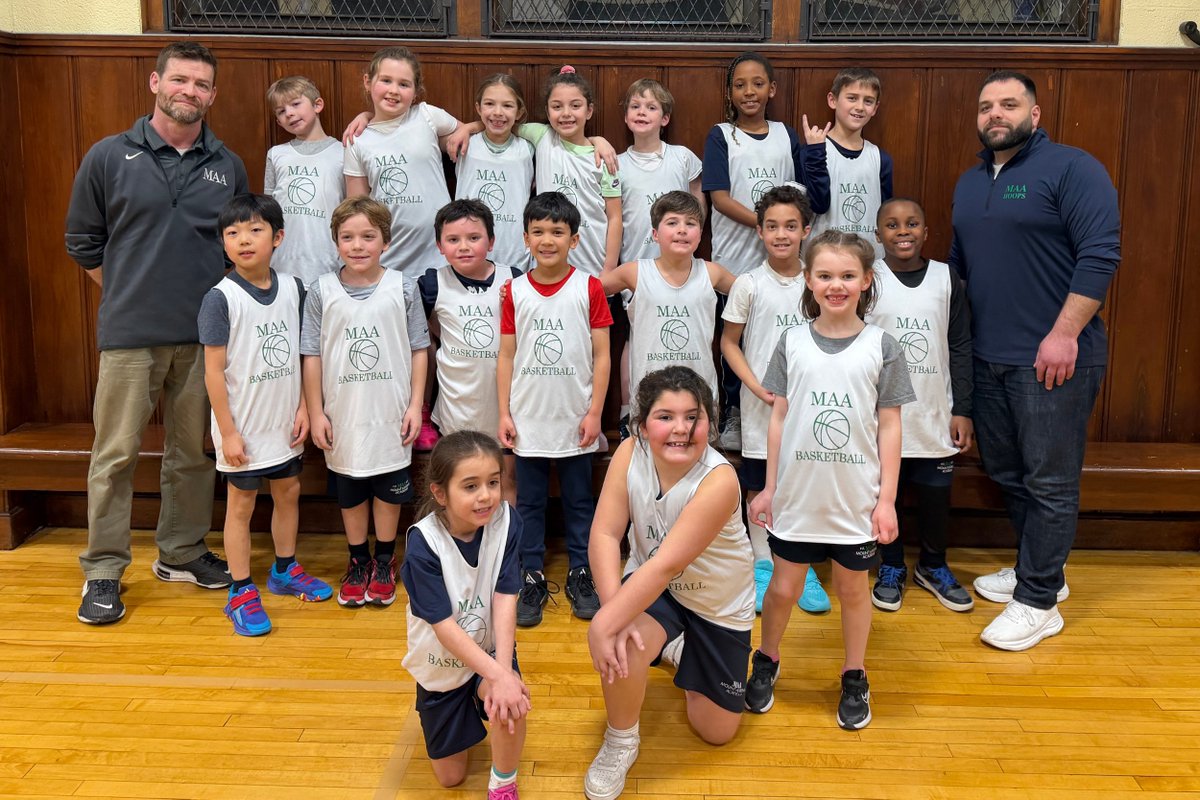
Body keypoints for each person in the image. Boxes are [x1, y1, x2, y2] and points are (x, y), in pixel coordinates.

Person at [67, 41, 248, 625]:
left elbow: (235, 249)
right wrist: (127, 290)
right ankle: (102, 570)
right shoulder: (107, 155)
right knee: (115, 454)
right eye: (179, 80)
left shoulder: (228, 163)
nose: (188, 91)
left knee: (193, 452)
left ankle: (182, 551)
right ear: (155, 82)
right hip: (129, 336)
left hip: (204, 340)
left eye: (200, 84)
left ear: (212, 95)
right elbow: (83, 242)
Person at [949, 70, 1119, 651]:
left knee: (1050, 483)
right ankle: (1039, 570)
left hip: (1053, 360)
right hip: (990, 359)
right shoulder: (970, 183)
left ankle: (1039, 601)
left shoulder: (1073, 169)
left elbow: (1100, 254)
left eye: (1009, 104)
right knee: (1010, 477)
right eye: (986, 105)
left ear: (1035, 114)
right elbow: (961, 270)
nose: (995, 114)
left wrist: (1064, 333)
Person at [746, 231, 914, 730]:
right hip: (798, 498)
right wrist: (771, 488)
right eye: (825, 275)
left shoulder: (881, 346)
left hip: (856, 503)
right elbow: (778, 419)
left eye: (846, 276)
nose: (835, 285)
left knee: (853, 590)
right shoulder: (792, 342)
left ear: (866, 280)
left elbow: (890, 426)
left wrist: (887, 500)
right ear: (808, 279)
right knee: (782, 589)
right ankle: (767, 660)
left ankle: (855, 673)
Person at [584, 366, 755, 800]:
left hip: (716, 603)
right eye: (665, 416)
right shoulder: (628, 453)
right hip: (654, 587)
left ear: (708, 424)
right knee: (625, 640)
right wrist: (613, 614)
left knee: (715, 731)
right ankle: (621, 740)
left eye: (692, 416)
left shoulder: (719, 481)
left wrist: (605, 623)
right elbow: (605, 534)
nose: (681, 429)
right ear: (642, 426)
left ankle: (678, 647)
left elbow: (668, 565)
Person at [199, 194, 331, 636]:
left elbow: (301, 354)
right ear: (223, 243)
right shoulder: (220, 298)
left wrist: (302, 408)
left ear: (277, 237)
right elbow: (213, 374)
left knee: (289, 490)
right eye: (232, 233)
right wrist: (229, 433)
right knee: (241, 504)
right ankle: (240, 590)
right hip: (243, 427)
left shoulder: (294, 288)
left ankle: (284, 569)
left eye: (254, 230)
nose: (243, 240)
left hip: (284, 422)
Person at [301, 196, 429, 609]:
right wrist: (316, 410)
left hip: (390, 413)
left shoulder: (402, 287)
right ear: (336, 242)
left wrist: (415, 406)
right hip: (344, 414)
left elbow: (419, 349)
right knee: (351, 489)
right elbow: (311, 354)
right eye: (348, 237)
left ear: (385, 241)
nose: (358, 245)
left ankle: (385, 561)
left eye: (368, 237)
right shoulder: (321, 291)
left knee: (390, 492)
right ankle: (358, 561)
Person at [700, 51, 830, 450]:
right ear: (730, 92)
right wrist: (765, 222)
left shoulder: (786, 135)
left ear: (771, 89)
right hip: (735, 261)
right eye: (740, 84)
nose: (749, 91)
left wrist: (777, 226)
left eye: (758, 83)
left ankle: (788, 403)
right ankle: (735, 410)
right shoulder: (721, 135)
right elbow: (719, 198)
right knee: (734, 336)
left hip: (781, 259)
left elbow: (808, 196)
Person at [498, 192, 612, 627]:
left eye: (558, 232)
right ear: (525, 238)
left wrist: (594, 412)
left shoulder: (590, 287)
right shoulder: (515, 290)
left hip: (575, 416)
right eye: (539, 232)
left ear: (575, 239)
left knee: (580, 502)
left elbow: (602, 355)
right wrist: (505, 414)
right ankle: (530, 575)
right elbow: (506, 355)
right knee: (529, 503)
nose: (548, 240)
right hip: (528, 418)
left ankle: (582, 573)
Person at [343, 46, 465, 452]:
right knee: (401, 344)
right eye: (385, 81)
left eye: (404, 83)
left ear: (416, 91)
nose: (393, 90)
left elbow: (476, 128)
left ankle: (432, 411)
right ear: (368, 83)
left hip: (437, 257)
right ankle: (401, 413)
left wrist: (469, 128)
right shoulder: (358, 140)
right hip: (391, 263)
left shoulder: (428, 117)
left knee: (438, 339)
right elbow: (357, 210)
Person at [719, 185, 830, 616]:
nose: (781, 234)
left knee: (802, 482)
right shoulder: (748, 283)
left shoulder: (819, 278)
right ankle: (763, 562)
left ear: (806, 229)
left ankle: (802, 566)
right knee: (760, 484)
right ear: (759, 231)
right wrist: (754, 385)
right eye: (771, 226)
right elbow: (730, 343)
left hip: (810, 406)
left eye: (790, 226)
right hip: (762, 406)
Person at [400, 431, 527, 799]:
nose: (486, 495)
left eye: (493, 482)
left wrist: (502, 673)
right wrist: (498, 676)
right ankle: (460, 711)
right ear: (440, 494)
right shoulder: (423, 544)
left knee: (511, 700)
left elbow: (506, 596)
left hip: (487, 649)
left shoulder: (507, 522)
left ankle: (504, 783)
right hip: (442, 660)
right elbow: (443, 628)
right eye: (470, 486)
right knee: (450, 778)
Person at [865, 197, 974, 613]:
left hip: (934, 412)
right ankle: (891, 565)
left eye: (912, 223)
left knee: (933, 497)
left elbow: (960, 345)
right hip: (883, 415)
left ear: (927, 233)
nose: (903, 231)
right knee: (884, 497)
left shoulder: (947, 279)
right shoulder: (868, 279)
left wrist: (962, 407)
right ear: (878, 236)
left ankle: (933, 565)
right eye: (892, 225)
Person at [613, 79, 704, 432]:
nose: (642, 113)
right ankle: (628, 410)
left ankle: (687, 409)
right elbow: (613, 215)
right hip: (637, 262)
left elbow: (698, 201)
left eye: (651, 107)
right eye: (635, 106)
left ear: (664, 118)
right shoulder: (615, 162)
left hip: (680, 265)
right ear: (625, 116)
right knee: (637, 335)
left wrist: (689, 238)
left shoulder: (682, 157)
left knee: (675, 328)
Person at [418, 199, 521, 503]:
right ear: (439, 245)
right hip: (457, 407)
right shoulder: (432, 284)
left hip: (505, 407)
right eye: (453, 240)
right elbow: (417, 338)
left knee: (505, 480)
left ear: (491, 241)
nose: (464, 246)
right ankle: (464, 546)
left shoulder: (514, 278)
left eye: (473, 238)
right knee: (462, 483)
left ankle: (506, 547)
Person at [601, 191, 733, 419]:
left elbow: (755, 294)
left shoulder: (713, 273)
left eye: (690, 223)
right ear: (655, 234)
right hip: (649, 398)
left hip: (699, 397)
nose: (682, 229)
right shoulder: (634, 272)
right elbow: (585, 292)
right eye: (672, 222)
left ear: (700, 234)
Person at [264, 75, 344, 287]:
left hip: (328, 266)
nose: (289, 113)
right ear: (278, 121)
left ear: (317, 105)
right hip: (282, 268)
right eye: (281, 111)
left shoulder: (343, 153)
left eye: (296, 104)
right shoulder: (276, 154)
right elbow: (268, 213)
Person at [807, 67, 894, 259]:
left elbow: (886, 215)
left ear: (875, 108)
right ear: (833, 100)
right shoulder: (814, 151)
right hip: (823, 261)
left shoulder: (881, 158)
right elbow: (817, 205)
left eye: (868, 101)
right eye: (852, 98)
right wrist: (815, 154)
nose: (860, 107)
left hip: (868, 263)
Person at [453, 74, 536, 270]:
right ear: (478, 108)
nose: (498, 112)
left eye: (507, 106)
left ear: (519, 111)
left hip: (514, 253)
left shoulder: (528, 148)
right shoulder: (464, 143)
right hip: (467, 250)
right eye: (489, 104)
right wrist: (366, 116)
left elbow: (569, 138)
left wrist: (597, 141)